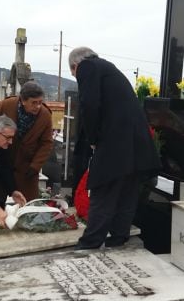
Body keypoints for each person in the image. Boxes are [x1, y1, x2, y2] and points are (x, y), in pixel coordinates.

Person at [68, 47, 161, 249]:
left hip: (116, 142)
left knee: (104, 188)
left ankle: (91, 242)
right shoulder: (108, 68)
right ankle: (119, 236)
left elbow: (89, 104)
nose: (76, 77)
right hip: (137, 142)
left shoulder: (87, 66)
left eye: (73, 74)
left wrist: (92, 138)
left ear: (75, 66)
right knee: (127, 189)